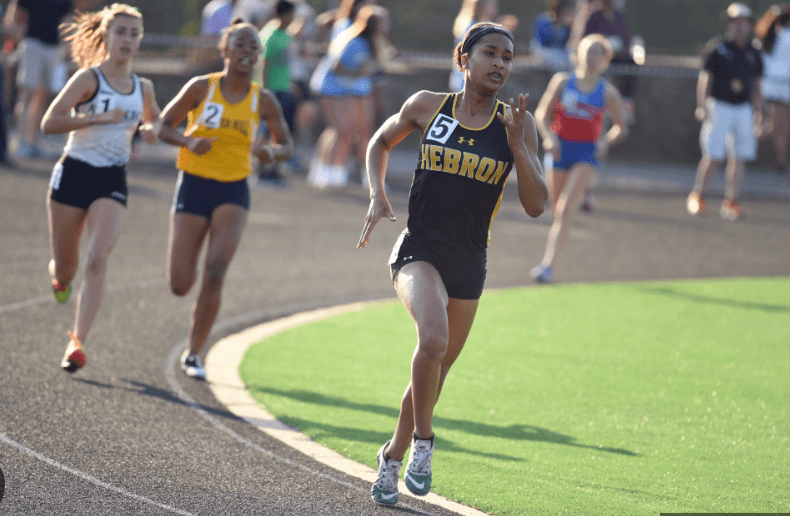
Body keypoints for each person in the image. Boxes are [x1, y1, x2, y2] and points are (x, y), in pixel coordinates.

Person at [357, 22, 548, 505]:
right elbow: (379, 143)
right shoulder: (427, 105)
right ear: (464, 58)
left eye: (508, 56)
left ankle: (392, 457)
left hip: (469, 260)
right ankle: (425, 442)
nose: (500, 63)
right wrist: (378, 195)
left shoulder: (517, 124)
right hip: (418, 247)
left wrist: (519, 148)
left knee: (434, 370)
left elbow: (536, 204)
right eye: (490, 53)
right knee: (434, 338)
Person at [158, 19, 293, 379]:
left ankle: (194, 353)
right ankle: (192, 333)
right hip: (194, 183)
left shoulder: (262, 99)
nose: (248, 52)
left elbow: (287, 144)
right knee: (179, 284)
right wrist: (188, 142)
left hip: (233, 189)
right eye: (241, 45)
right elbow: (162, 125)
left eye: (254, 47)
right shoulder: (202, 87)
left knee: (215, 273)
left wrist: (271, 155)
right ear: (225, 50)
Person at [39, 3, 161, 372]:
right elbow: (49, 122)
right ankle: (60, 277)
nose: (126, 39)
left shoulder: (144, 87)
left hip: (111, 178)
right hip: (74, 172)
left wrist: (151, 131)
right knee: (66, 269)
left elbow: (154, 122)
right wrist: (96, 118)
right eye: (120, 32)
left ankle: (77, 343)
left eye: (133, 33)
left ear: (140, 41)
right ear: (106, 36)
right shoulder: (88, 79)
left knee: (97, 260)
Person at [530, 33, 628, 284]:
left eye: (598, 52)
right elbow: (541, 114)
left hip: (586, 152)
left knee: (564, 210)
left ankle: (547, 266)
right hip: (560, 150)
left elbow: (620, 127)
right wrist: (548, 138)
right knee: (556, 210)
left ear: (605, 59)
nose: (592, 56)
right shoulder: (563, 82)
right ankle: (586, 193)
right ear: (577, 54)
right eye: (588, 50)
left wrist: (605, 141)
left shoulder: (608, 92)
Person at [687, 2, 762, 221]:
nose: (740, 26)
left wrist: (760, 111)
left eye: (744, 22)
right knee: (713, 154)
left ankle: (732, 200)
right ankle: (698, 195)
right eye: (735, 22)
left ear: (749, 25)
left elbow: (757, 84)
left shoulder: (753, 52)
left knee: (740, 156)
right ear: (729, 25)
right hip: (719, 105)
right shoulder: (717, 47)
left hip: (744, 108)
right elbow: (705, 78)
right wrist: (702, 106)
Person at [307, 5, 386, 189]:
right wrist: (360, 72)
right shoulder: (353, 40)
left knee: (344, 131)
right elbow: (337, 68)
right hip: (331, 87)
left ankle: (330, 171)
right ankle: (327, 171)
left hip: (345, 89)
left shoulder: (370, 42)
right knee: (340, 130)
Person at [4, 0, 74, 159]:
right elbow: (12, 16)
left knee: (43, 97)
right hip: (32, 44)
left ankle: (34, 141)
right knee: (27, 94)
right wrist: (21, 38)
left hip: (54, 48)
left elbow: (67, 21)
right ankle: (22, 142)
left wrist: (67, 44)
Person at [256, 0, 296, 187]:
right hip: (270, 90)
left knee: (278, 130)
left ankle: (273, 168)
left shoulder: (283, 33)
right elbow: (264, 63)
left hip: (281, 88)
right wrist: (265, 91)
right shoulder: (270, 34)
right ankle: (262, 169)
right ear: (284, 15)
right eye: (291, 15)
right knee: (265, 130)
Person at [755, 4, 790, 175]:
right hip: (780, 88)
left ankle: (781, 163)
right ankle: (745, 143)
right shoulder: (782, 37)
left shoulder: (768, 36)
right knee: (776, 128)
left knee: (780, 128)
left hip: (773, 88)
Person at [531, 0, 576, 71]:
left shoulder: (565, 24)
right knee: (558, 62)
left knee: (572, 62)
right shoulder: (542, 20)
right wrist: (554, 23)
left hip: (560, 53)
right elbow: (541, 42)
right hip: (544, 51)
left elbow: (564, 44)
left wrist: (569, 26)